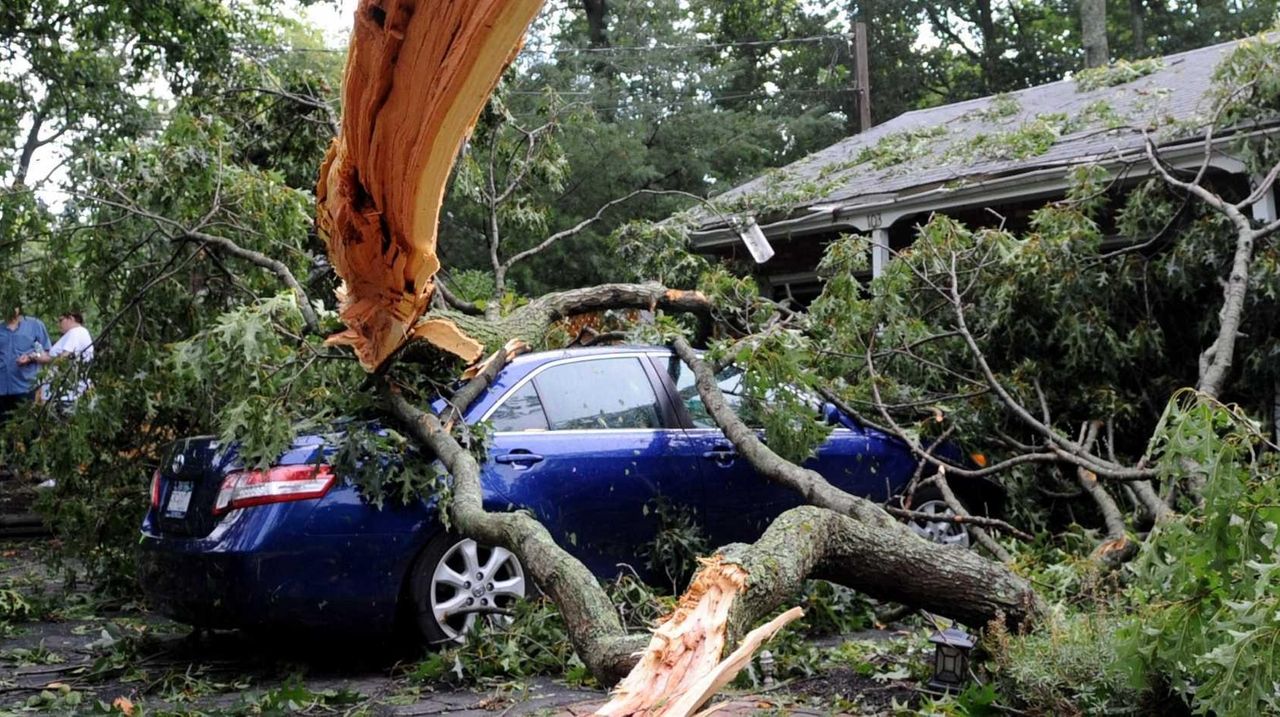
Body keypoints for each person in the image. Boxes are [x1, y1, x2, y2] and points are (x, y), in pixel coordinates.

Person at [0, 300, 51, 424]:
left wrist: (30, 357)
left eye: (12, 306)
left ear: (19, 307)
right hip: (2, 389)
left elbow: (46, 354)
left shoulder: (34, 326)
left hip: (26, 388)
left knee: (27, 428)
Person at [32, 310, 94, 410]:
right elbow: (54, 355)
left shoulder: (76, 332)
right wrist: (35, 356)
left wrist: (47, 360)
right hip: (59, 393)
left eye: (61, 320)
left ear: (71, 318)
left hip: (66, 394)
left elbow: (64, 357)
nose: (59, 324)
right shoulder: (73, 334)